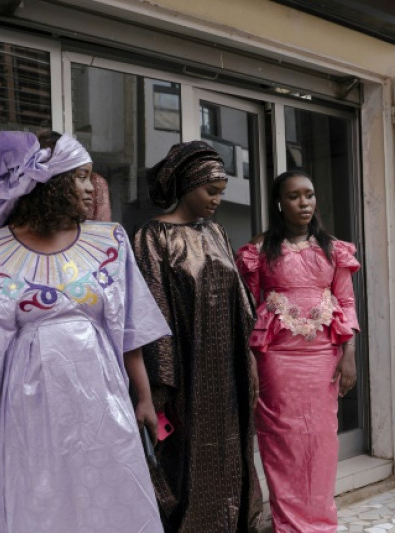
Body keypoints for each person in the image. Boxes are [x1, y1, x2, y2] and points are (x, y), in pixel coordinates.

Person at [0, 130, 169, 532]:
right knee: (39, 501)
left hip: (102, 402)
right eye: (79, 176)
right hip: (29, 406)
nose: (90, 187)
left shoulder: (110, 243)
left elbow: (129, 331)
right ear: (48, 184)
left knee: (112, 497)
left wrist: (144, 399)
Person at [134, 141, 262, 532]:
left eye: (222, 193)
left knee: (232, 458)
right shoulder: (152, 237)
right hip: (186, 374)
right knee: (185, 466)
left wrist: (251, 359)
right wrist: (159, 388)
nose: (217, 200)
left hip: (228, 371)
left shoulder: (217, 232)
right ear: (188, 185)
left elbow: (240, 301)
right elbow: (151, 312)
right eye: (211, 191)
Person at [236, 170, 360, 532]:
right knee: (282, 443)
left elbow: (347, 301)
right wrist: (251, 360)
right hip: (276, 359)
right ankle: (288, 525)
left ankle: (320, 524)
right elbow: (247, 307)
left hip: (324, 358)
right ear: (279, 203)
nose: (304, 202)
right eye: (294, 196)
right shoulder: (259, 250)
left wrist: (349, 352)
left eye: (309, 194)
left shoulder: (333, 248)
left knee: (321, 443)